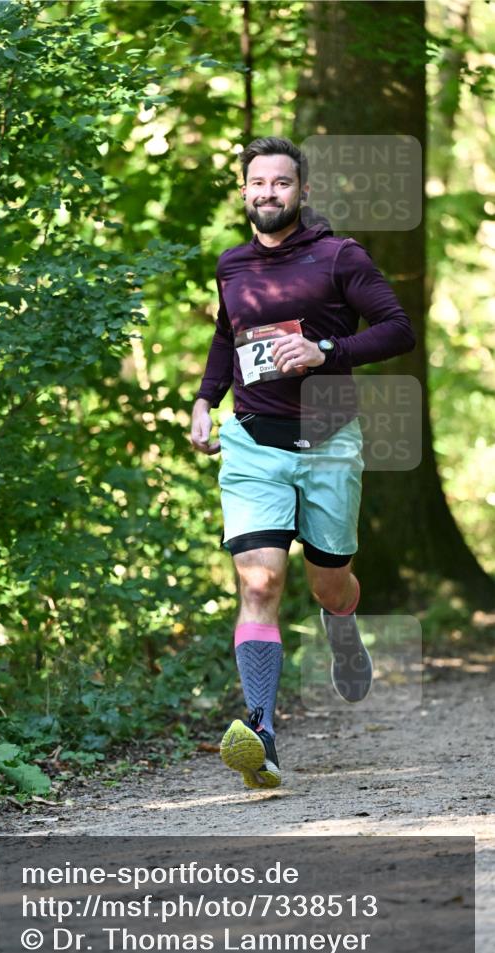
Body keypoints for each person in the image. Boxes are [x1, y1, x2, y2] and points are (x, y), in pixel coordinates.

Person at [190, 136, 415, 790]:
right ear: (244, 191)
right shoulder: (232, 265)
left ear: (301, 191)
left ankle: (340, 624)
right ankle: (260, 734)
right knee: (259, 585)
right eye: (257, 183)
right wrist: (204, 400)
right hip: (252, 442)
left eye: (280, 183)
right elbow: (225, 338)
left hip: (328, 442)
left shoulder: (339, 256)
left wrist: (326, 351)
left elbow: (397, 329)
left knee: (328, 584)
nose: (268, 193)